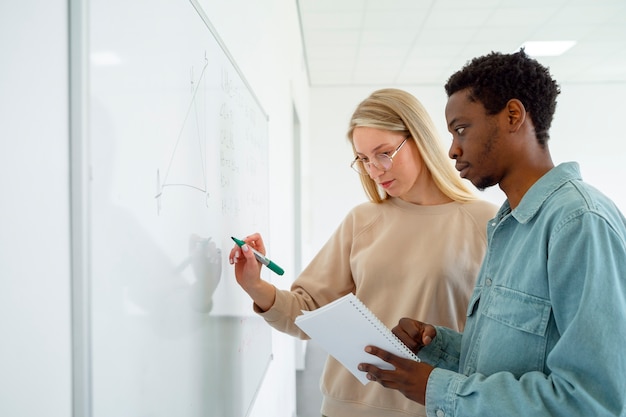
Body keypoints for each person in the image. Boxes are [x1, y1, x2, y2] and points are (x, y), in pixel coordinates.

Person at [358, 50, 626, 417]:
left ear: (513, 116)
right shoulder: (507, 224)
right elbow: (520, 358)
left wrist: (435, 388)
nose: (452, 149)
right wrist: (439, 347)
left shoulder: (579, 223)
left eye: (461, 129)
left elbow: (593, 401)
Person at [229, 88, 498, 417]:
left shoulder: (485, 222)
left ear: (420, 139)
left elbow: (497, 336)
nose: (375, 170)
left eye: (384, 153)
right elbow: (306, 313)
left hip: (436, 407)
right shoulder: (362, 221)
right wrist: (256, 286)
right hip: (347, 408)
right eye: (364, 160)